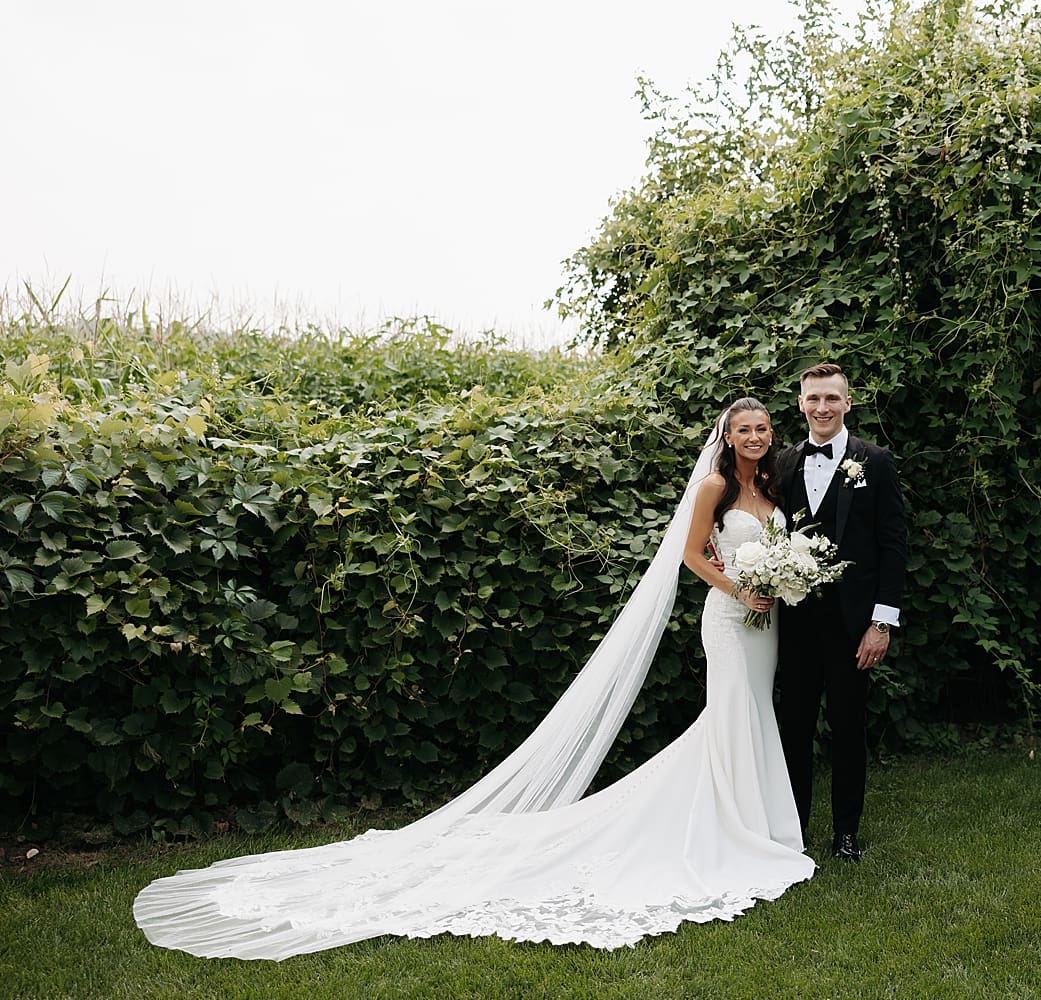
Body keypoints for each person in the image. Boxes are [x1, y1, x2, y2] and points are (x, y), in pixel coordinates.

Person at [132, 397, 814, 959]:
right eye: (743, 429)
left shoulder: (770, 488)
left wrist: (780, 583)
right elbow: (692, 555)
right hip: (729, 621)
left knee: (755, 712)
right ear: (726, 436)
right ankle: (733, 826)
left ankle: (753, 818)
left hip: (767, 625)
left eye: (761, 429)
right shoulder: (715, 486)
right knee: (729, 712)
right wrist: (736, 590)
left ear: (770, 435)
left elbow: (777, 548)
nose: (754, 437)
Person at [775, 363, 907, 862]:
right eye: (813, 399)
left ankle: (846, 833)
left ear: (848, 403)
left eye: (832, 398)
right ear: (801, 404)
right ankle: (794, 830)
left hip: (855, 627)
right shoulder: (783, 463)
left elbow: (893, 546)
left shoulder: (876, 461)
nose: (822, 408)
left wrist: (882, 622)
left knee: (849, 728)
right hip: (795, 625)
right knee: (794, 728)